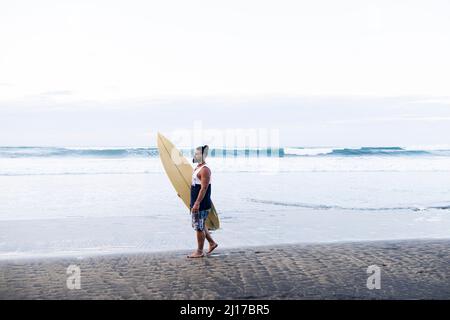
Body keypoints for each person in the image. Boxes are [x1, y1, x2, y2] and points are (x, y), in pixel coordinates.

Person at [188, 145, 218, 258]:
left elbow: (204, 188)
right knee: (201, 224)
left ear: (203, 155)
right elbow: (194, 186)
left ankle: (199, 251)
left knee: (199, 227)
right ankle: (212, 243)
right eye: (195, 153)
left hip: (201, 203)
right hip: (197, 202)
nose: (195, 155)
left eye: (197, 154)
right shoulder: (197, 168)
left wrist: (197, 203)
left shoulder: (205, 170)